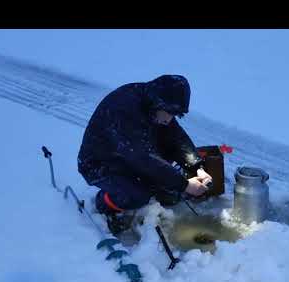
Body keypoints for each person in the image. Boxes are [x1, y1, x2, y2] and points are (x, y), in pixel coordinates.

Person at [77, 74, 212, 235]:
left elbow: (176, 137)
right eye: (169, 113)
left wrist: (197, 166)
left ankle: (154, 186)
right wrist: (185, 185)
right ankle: (105, 204)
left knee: (164, 167)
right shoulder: (124, 110)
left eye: (174, 115)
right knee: (137, 195)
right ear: (159, 103)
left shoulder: (153, 102)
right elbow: (144, 159)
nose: (170, 119)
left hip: (129, 155)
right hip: (99, 163)